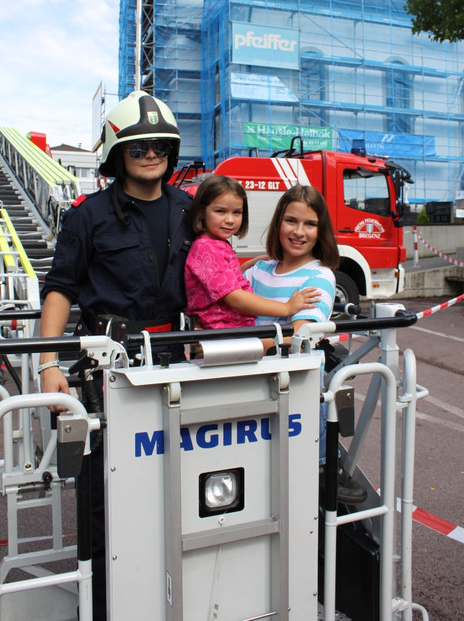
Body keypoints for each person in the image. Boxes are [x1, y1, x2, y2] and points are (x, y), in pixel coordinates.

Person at [38, 90, 195, 621]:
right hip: (110, 371)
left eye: (160, 146)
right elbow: (60, 288)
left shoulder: (188, 209)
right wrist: (48, 364)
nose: (151, 154)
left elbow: (216, 275)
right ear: (116, 154)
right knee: (108, 498)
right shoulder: (88, 216)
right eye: (138, 147)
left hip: (175, 363)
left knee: (180, 486)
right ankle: (106, 606)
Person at [243, 183, 367, 504]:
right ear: (278, 223)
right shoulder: (260, 269)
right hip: (249, 377)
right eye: (291, 221)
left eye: (310, 224)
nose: (299, 232)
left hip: (292, 386)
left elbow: (298, 338)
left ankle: (325, 466)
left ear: (320, 230)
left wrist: (244, 344)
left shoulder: (319, 276)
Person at [184, 175, 322, 332]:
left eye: (237, 212)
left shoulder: (215, 244)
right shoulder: (207, 248)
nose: (230, 220)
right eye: (220, 211)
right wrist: (286, 308)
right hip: (224, 332)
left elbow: (218, 280)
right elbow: (234, 297)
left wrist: (244, 267)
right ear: (202, 212)